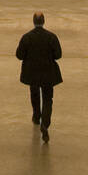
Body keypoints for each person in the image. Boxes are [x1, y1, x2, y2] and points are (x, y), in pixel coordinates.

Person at [16, 12, 63, 144]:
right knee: (48, 99)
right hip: (48, 73)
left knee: (34, 94)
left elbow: (19, 55)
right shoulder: (51, 37)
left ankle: (37, 116)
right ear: (44, 21)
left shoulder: (26, 37)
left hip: (32, 73)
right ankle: (45, 124)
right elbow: (58, 55)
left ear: (33, 21)